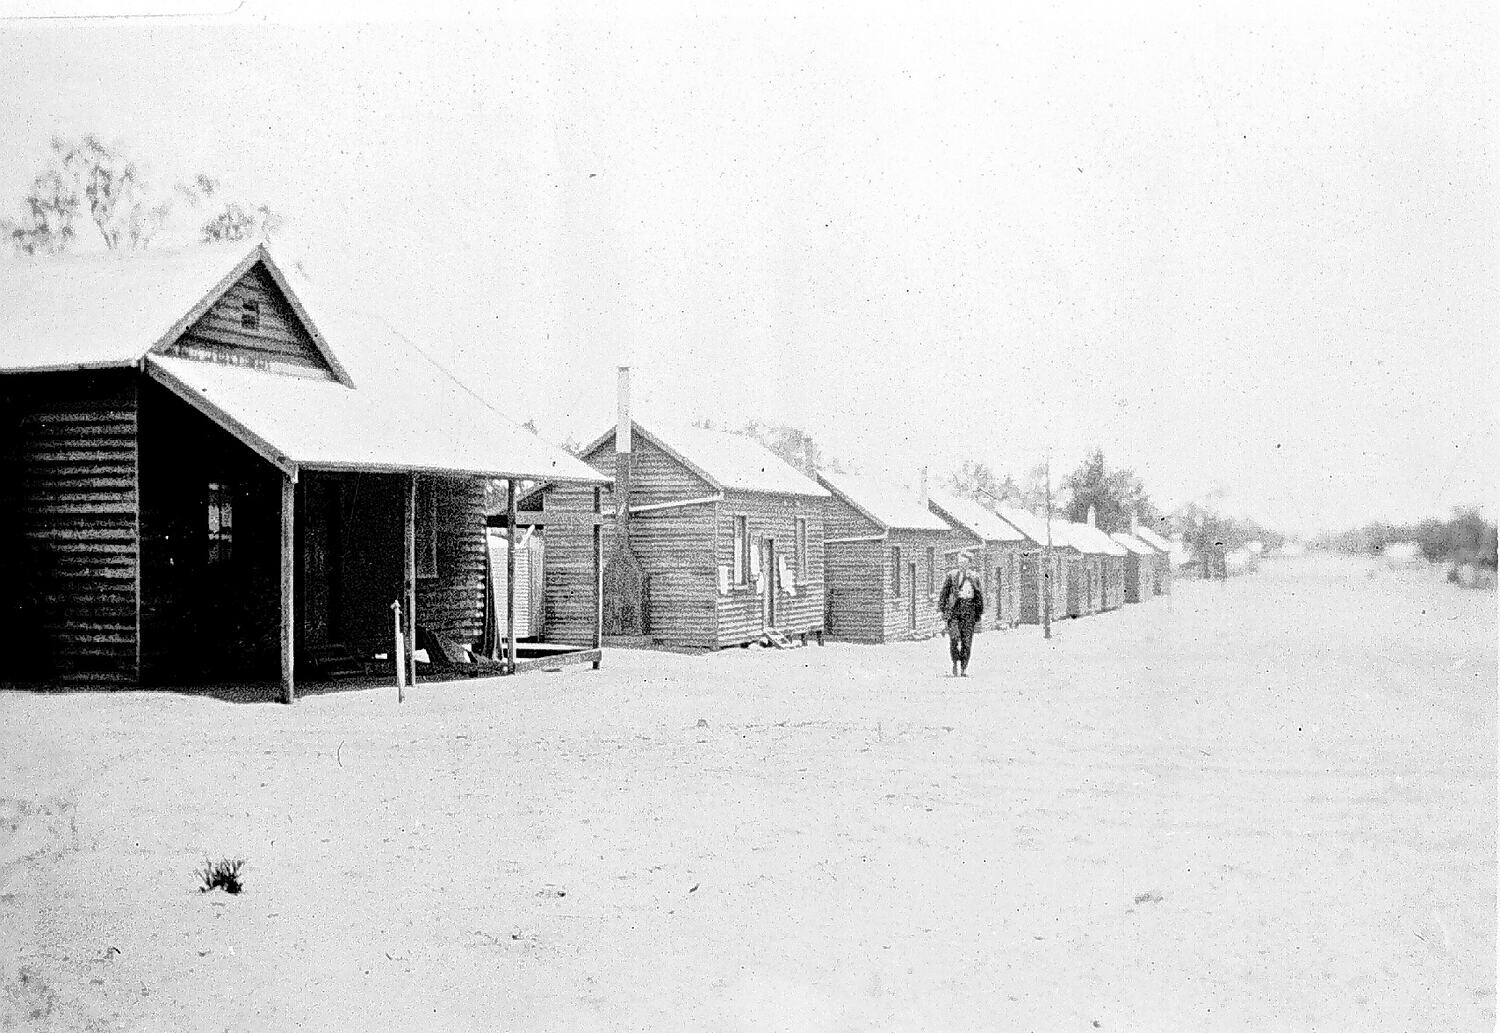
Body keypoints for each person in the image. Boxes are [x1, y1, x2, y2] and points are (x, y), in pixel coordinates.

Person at [938, 551, 984, 676]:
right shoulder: (951, 576)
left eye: (964, 563)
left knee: (967, 641)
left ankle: (963, 668)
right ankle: (955, 662)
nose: (962, 565)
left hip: (969, 610)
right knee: (954, 638)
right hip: (954, 610)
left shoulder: (974, 577)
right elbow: (944, 594)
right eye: (960, 563)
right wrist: (942, 609)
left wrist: (979, 613)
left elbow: (979, 596)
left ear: (969, 564)